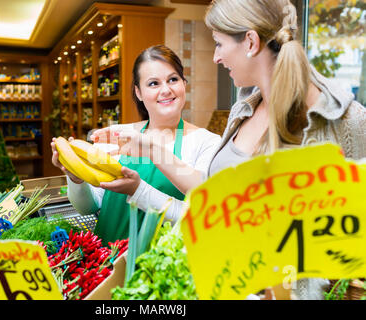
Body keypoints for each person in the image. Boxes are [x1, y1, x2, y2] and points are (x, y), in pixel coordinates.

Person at [95, 0, 366, 300]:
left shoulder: (342, 120)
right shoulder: (245, 107)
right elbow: (216, 196)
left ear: (250, 42)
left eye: (219, 44)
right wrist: (152, 150)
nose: (215, 57)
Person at [51, 45, 221, 245]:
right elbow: (88, 206)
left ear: (184, 84)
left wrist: (137, 190)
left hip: (162, 268)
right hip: (106, 265)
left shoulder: (207, 143)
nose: (166, 90)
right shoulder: (117, 135)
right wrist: (76, 179)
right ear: (138, 92)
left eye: (173, 79)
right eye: (153, 83)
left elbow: (200, 217)